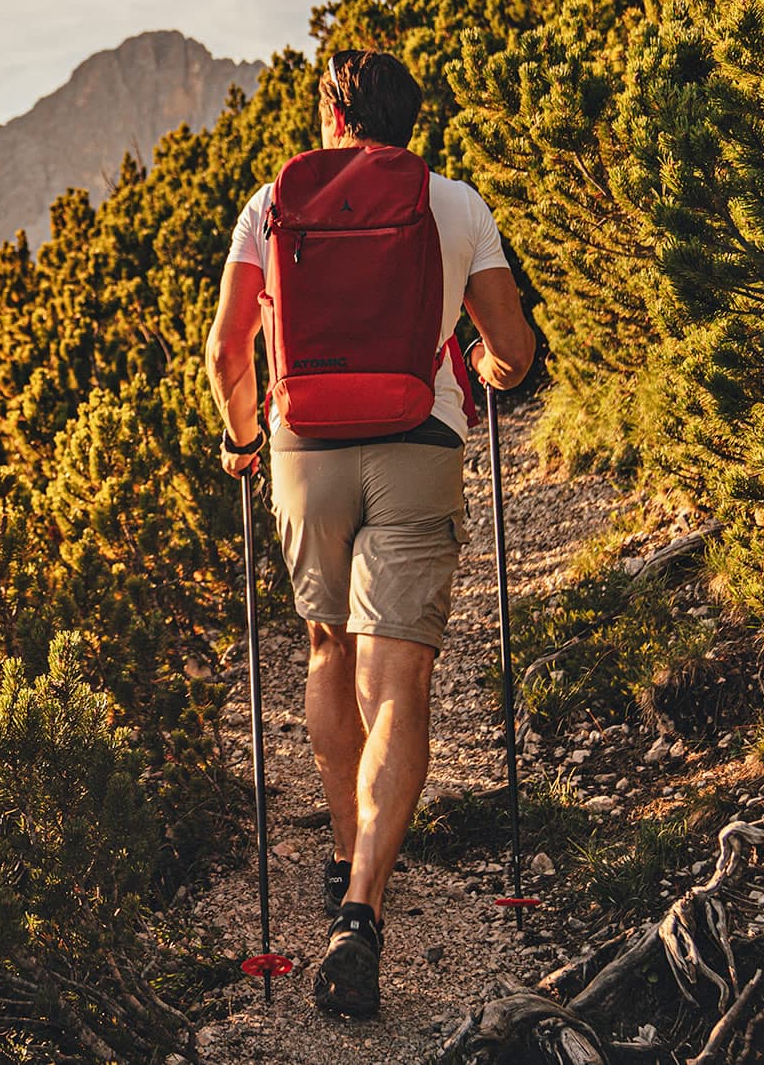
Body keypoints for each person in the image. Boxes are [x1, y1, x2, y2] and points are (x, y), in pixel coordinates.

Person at [204, 49, 536, 1017]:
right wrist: (490, 369)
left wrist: (238, 441)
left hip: (302, 444)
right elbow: (510, 349)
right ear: (407, 119)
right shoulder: (454, 201)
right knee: (399, 673)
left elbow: (225, 345)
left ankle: (347, 844)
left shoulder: (269, 202)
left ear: (331, 115)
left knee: (324, 647)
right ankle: (360, 907)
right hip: (417, 436)